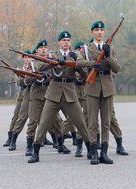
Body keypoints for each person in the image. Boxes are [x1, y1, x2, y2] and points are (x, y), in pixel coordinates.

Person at [28, 31, 93, 164]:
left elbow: (84, 75)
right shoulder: (52, 55)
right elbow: (40, 66)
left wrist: (77, 61)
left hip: (70, 92)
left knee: (81, 123)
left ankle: (90, 149)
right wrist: (54, 62)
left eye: (68, 40)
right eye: (63, 40)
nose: (66, 42)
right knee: (44, 123)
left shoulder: (75, 55)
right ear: (59, 42)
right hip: (53, 93)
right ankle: (35, 152)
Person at [76, 21, 120, 164]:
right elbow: (78, 62)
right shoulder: (87, 49)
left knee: (106, 122)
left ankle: (104, 153)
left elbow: (117, 68)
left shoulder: (110, 48)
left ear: (104, 32)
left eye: (101, 30)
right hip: (93, 86)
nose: (99, 32)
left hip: (107, 87)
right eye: (96, 30)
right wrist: (92, 65)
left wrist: (109, 55)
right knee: (93, 122)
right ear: (92, 33)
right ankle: (94, 153)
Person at [24, 39, 62, 156]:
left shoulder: (52, 62)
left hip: (50, 93)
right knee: (33, 121)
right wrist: (39, 76)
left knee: (56, 120)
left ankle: (59, 143)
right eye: (41, 48)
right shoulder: (32, 63)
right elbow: (26, 79)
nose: (44, 49)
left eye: (45, 48)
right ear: (37, 50)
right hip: (36, 93)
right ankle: (29, 146)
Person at [4, 50, 34, 151]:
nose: (27, 59)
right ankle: (11, 139)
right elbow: (19, 82)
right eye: (25, 57)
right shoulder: (20, 69)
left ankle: (53, 140)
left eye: (29, 57)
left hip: (36, 92)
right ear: (22, 59)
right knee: (19, 116)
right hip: (24, 93)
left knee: (43, 118)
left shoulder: (35, 67)